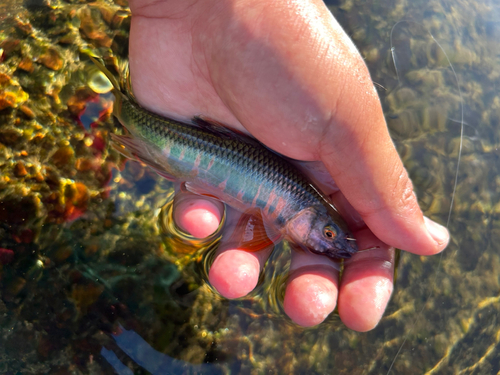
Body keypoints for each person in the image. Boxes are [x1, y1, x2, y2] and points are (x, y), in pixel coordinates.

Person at [127, 0, 450, 331]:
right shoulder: (283, 214)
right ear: (310, 215)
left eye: (329, 236)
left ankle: (125, 110)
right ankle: (126, 111)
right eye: (328, 232)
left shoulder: (281, 218)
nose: (331, 243)